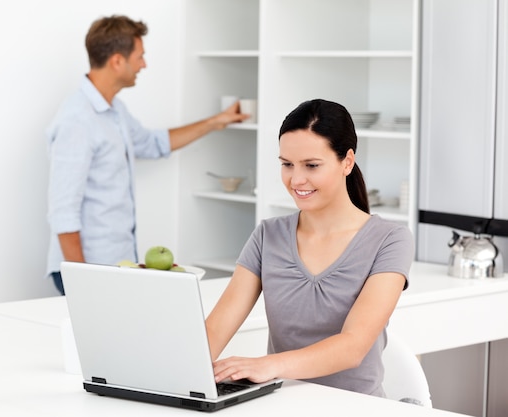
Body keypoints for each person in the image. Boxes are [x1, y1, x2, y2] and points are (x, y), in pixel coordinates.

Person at [205, 99, 413, 397]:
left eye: (312, 165)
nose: (296, 179)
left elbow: (352, 346)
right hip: (280, 405)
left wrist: (267, 365)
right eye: (287, 164)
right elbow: (214, 331)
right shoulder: (268, 235)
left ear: (347, 161)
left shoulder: (390, 240)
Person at [45, 15, 248, 295]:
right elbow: (63, 211)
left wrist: (217, 121)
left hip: (114, 266)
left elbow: (153, 143)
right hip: (88, 270)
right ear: (117, 61)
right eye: (139, 56)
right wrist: (80, 281)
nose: (144, 64)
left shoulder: (114, 111)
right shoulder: (77, 121)